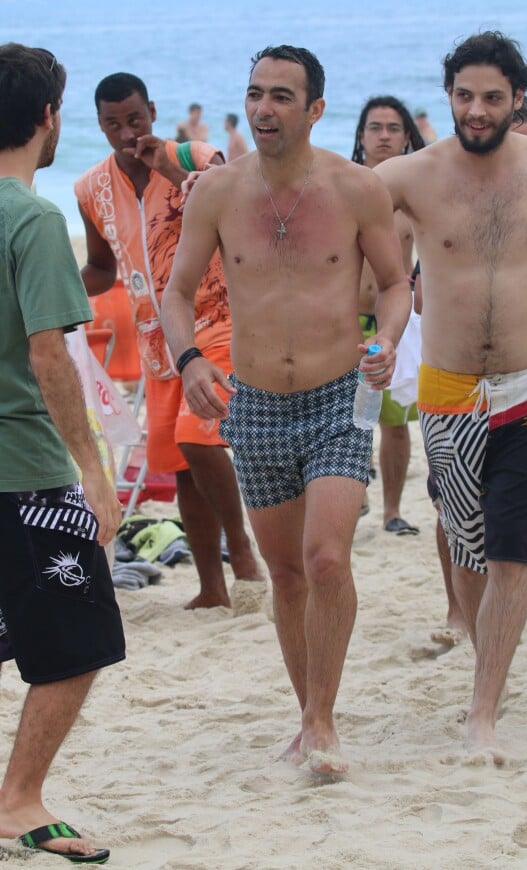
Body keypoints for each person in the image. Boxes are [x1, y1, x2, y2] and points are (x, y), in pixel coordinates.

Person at [161, 45, 411, 773]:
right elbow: (176, 293)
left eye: (280, 97)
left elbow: (396, 283)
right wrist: (190, 360)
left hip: (342, 393)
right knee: (286, 572)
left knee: (326, 557)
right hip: (257, 400)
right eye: (255, 94)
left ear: (315, 110)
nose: (263, 109)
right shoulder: (215, 191)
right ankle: (308, 714)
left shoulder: (357, 187)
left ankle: (324, 720)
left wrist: (388, 339)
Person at [375, 31, 527, 761]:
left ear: (517, 97)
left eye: (493, 96)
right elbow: (363, 252)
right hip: (448, 393)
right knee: (464, 546)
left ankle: (482, 712)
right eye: (465, 95)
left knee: (509, 550)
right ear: (450, 96)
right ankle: (482, 668)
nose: (478, 109)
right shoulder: (411, 176)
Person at [0, 42, 125, 863]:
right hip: (23, 468)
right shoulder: (33, 217)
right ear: (50, 118)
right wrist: (90, 466)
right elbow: (49, 355)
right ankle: (18, 802)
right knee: (80, 640)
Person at [74, 73, 264, 613]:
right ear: (101, 125)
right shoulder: (90, 188)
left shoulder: (199, 155)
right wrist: (48, 287)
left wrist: (171, 168)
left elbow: (242, 212)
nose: (125, 131)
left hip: (218, 319)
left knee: (197, 439)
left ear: (152, 111)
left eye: (134, 119)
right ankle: (212, 586)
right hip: (157, 342)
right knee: (182, 468)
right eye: (112, 123)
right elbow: (99, 266)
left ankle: (242, 548)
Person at [352, 96, 425, 534]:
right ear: (361, 136)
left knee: (395, 425)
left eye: (393, 128)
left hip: (392, 323)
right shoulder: (343, 185)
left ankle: (391, 511)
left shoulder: (416, 196)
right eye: (375, 126)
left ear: (406, 137)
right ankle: (353, 497)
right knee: (344, 419)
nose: (383, 135)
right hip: (345, 321)